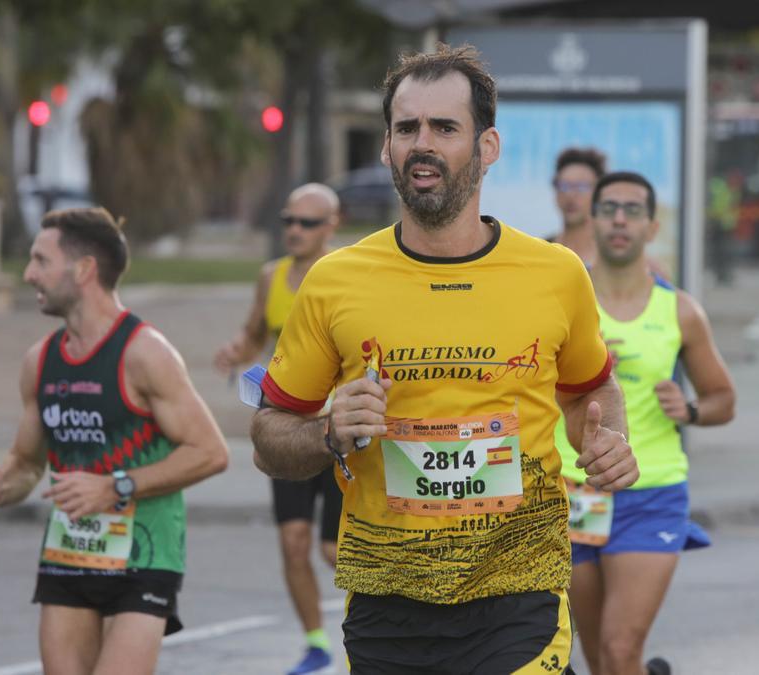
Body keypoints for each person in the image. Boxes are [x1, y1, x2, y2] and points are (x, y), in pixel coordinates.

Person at [249, 44, 640, 674]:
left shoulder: (555, 273)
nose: (421, 143)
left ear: (487, 147)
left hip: (518, 594)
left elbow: (591, 392)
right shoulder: (335, 280)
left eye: (444, 127)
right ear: (386, 148)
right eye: (407, 128)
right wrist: (329, 432)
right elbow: (269, 437)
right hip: (386, 601)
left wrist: (609, 440)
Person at [0, 208, 229, 674]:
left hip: (144, 555)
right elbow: (27, 464)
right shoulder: (39, 362)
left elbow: (210, 452)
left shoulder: (145, 353)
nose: (28, 275)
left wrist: (114, 487)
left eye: (41, 261)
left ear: (84, 269)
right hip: (70, 552)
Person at [555, 172, 736, 675]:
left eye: (632, 210)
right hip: (575, 491)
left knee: (619, 649)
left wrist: (692, 409)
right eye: (608, 208)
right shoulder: (561, 301)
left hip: (652, 492)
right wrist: (570, 370)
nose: (619, 219)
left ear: (652, 227)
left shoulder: (679, 310)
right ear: (591, 220)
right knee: (594, 655)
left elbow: (724, 399)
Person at [213, 183, 343, 675]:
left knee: (335, 549)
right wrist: (236, 352)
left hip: (337, 432)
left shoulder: (346, 273)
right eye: (288, 220)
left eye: (307, 223)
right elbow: (254, 335)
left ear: (332, 224)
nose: (294, 230)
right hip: (286, 429)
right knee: (292, 542)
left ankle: (371, 633)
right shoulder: (272, 277)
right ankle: (315, 643)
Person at [549, 147, 608, 266]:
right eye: (564, 186)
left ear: (599, 194)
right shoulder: (541, 251)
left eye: (581, 187)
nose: (571, 195)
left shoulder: (614, 258)